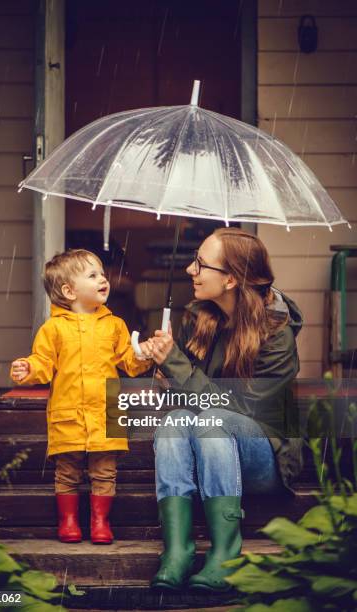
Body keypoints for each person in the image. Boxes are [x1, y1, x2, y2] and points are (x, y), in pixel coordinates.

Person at [146, 228, 303, 592]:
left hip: (265, 457)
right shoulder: (202, 317)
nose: (190, 269)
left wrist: (178, 367)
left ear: (231, 279)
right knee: (173, 422)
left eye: (201, 263)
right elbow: (190, 396)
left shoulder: (276, 334)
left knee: (212, 420)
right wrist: (163, 368)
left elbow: (241, 409)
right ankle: (177, 551)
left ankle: (225, 553)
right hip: (209, 446)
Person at [10, 249, 152, 544]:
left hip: (106, 408)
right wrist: (28, 368)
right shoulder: (53, 329)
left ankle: (100, 522)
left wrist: (144, 354)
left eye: (102, 273)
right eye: (93, 275)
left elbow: (130, 363)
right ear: (68, 290)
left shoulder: (115, 325)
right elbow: (43, 363)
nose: (103, 279)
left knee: (105, 470)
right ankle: (69, 521)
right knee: (67, 471)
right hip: (68, 410)